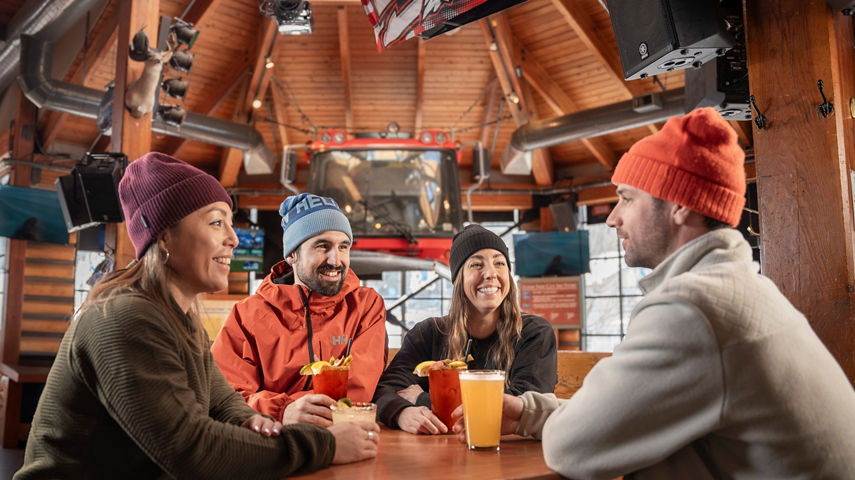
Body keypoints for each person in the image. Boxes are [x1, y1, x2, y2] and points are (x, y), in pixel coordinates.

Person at [471, 108, 855, 479]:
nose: (612, 217)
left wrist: (541, 419)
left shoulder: (691, 309)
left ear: (680, 206)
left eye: (627, 198)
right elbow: (619, 418)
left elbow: (570, 448)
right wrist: (527, 413)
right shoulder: (738, 289)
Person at [15, 152, 378, 480]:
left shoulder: (179, 316)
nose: (234, 239)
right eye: (216, 222)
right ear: (165, 236)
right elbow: (192, 450)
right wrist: (324, 445)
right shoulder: (126, 318)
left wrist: (254, 422)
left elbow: (223, 404)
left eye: (230, 223)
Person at [211, 193, 387, 426]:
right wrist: (281, 411)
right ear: (292, 254)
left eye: (343, 247)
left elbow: (356, 392)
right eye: (322, 246)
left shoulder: (366, 306)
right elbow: (225, 398)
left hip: (345, 436)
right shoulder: (246, 315)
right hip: (272, 444)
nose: (336, 260)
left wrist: (286, 408)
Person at [374, 224, 557, 434]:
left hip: (508, 453)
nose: (490, 273)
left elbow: (520, 406)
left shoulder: (534, 333)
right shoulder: (428, 333)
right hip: (439, 457)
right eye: (476, 265)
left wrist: (421, 398)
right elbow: (385, 389)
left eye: (499, 263)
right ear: (459, 279)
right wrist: (401, 413)